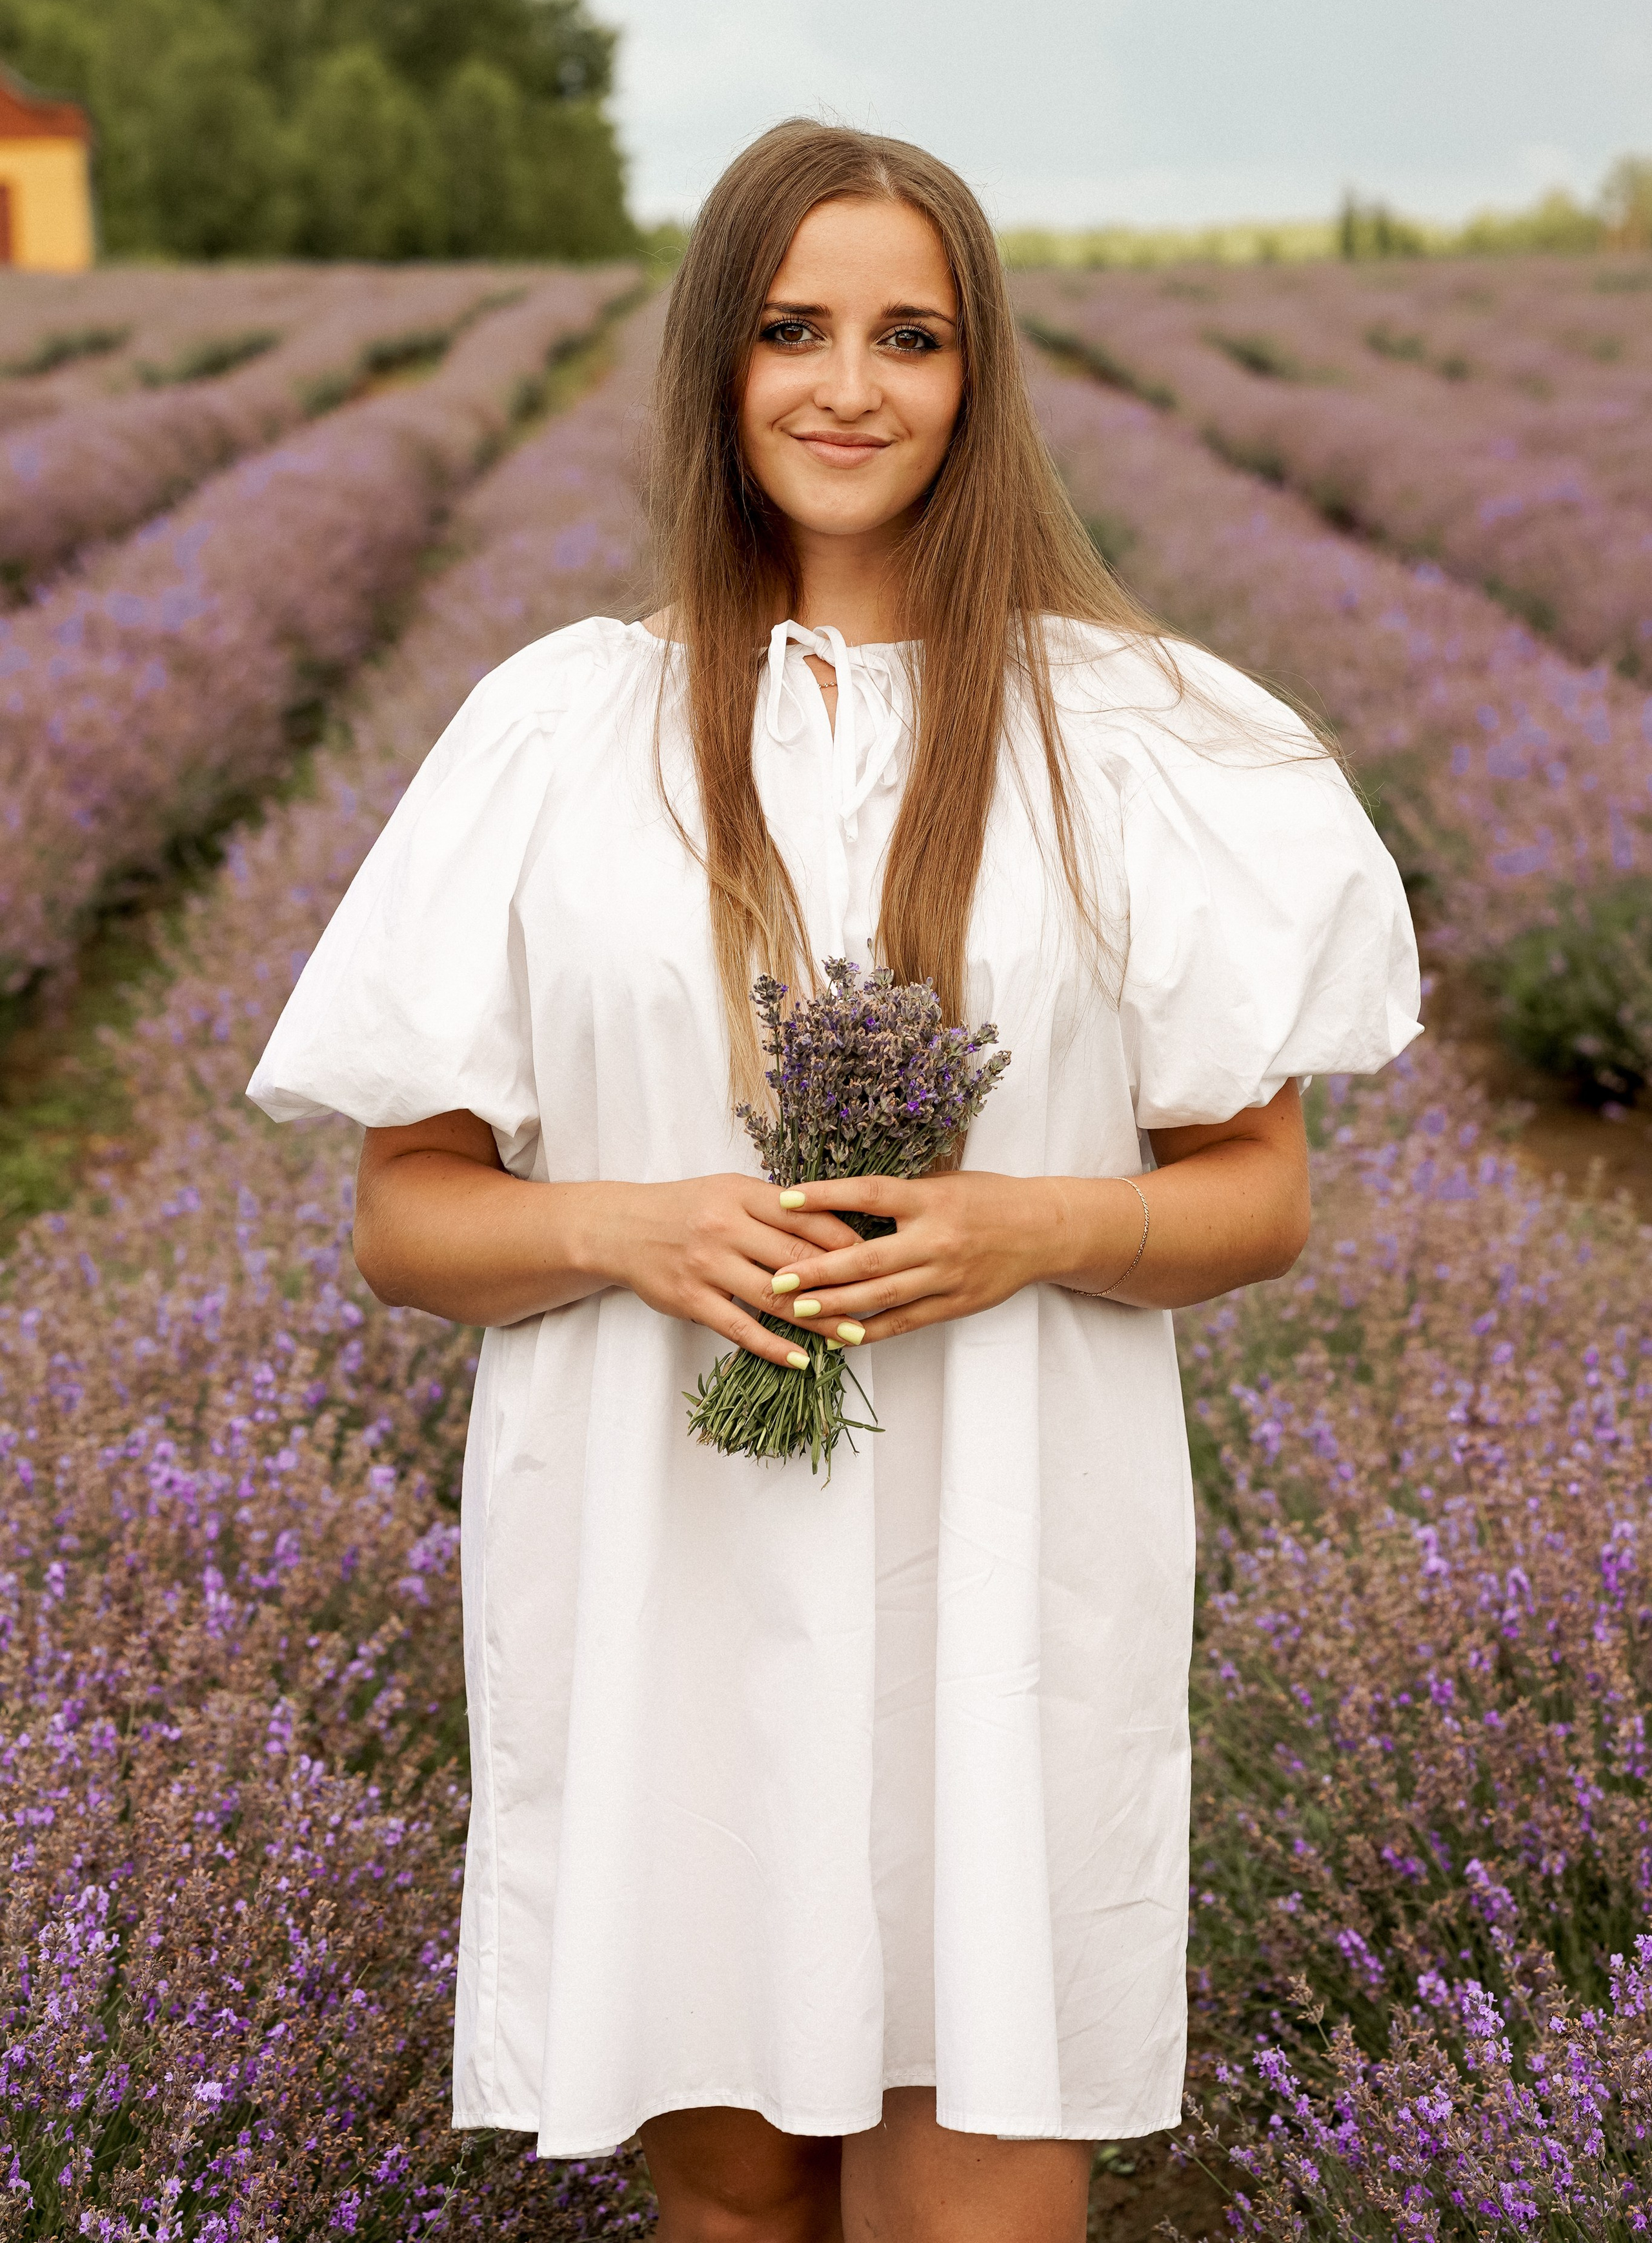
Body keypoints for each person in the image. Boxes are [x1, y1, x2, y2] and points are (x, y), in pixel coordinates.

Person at [248, 120, 1421, 2243]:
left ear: (980, 381)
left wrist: (1029, 1225)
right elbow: (407, 1217)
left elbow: (1261, 1195)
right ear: (718, 361)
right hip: (667, 1571)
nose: (848, 386)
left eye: (911, 334)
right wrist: (636, 1223)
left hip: (999, 1573)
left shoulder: (1136, 735)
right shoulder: (562, 734)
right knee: (735, 2214)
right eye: (793, 329)